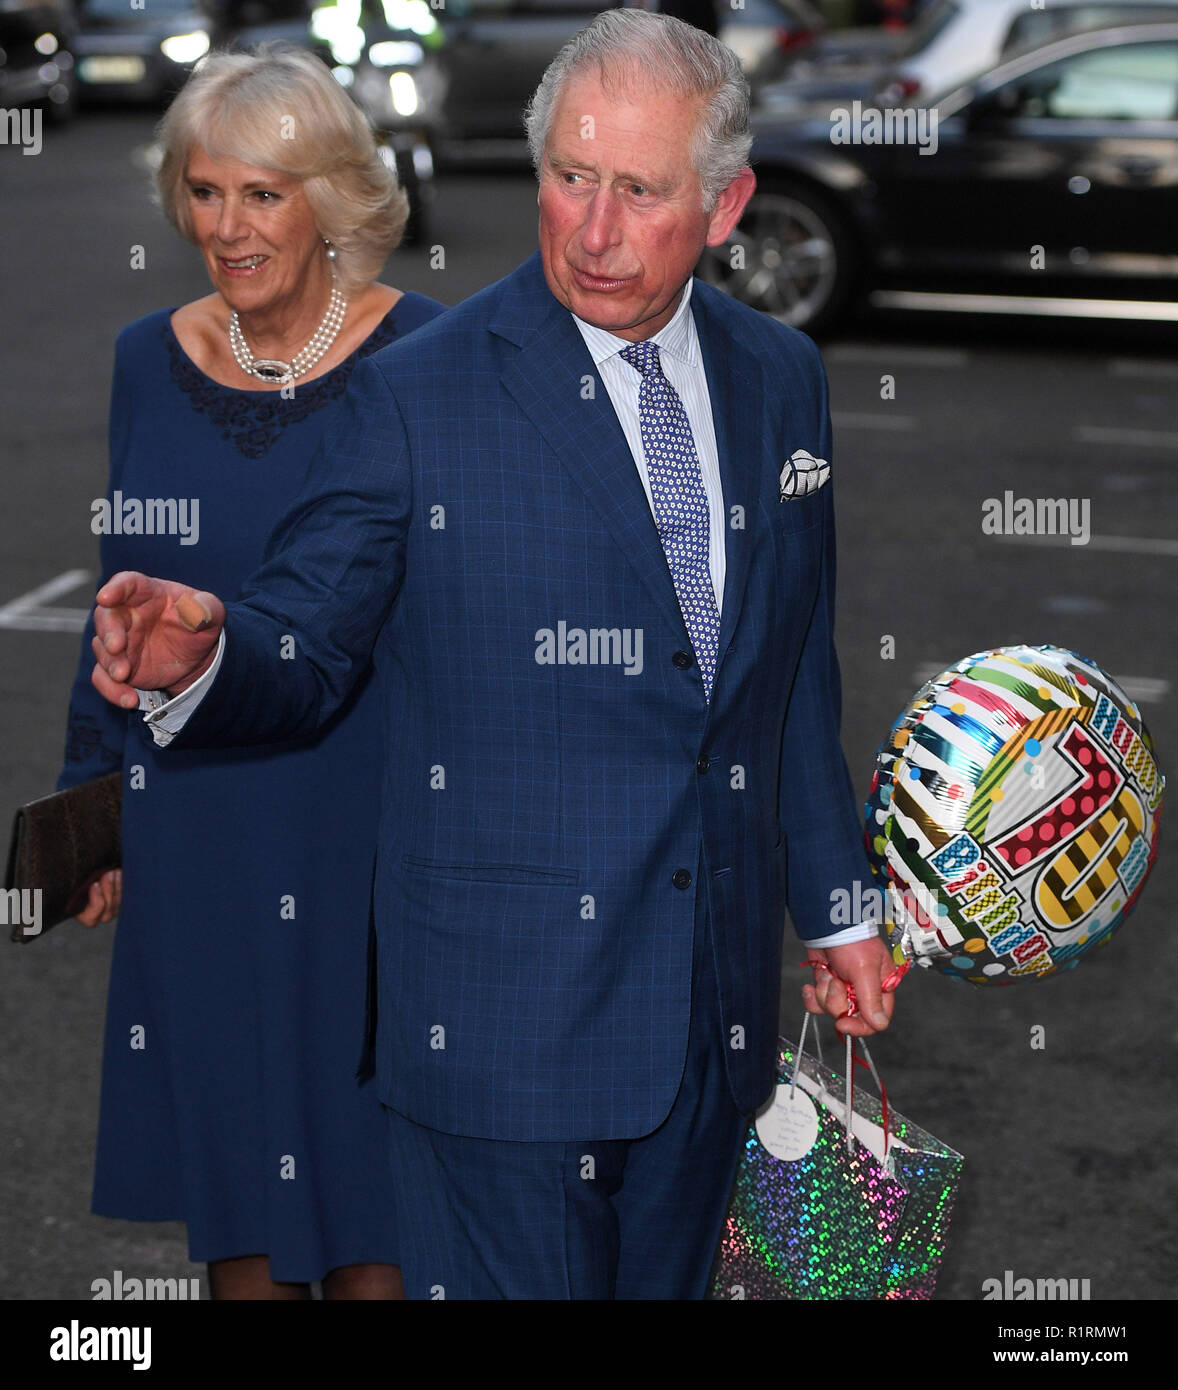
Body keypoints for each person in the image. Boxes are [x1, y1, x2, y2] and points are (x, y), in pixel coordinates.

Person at [89, 11, 895, 1300]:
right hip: (499, 1037)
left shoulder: (779, 379)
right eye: (570, 179)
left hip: (709, 1019)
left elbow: (789, 672)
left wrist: (837, 907)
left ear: (726, 202)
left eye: (637, 191)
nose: (592, 229)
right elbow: (305, 642)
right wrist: (202, 657)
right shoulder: (420, 388)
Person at [59, 44, 446, 1300]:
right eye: (207, 191)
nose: (227, 227)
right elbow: (119, 598)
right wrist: (88, 810)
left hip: (367, 827)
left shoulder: (428, 360)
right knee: (239, 1216)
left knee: (373, 1209)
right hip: (203, 828)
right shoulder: (142, 357)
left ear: (331, 200)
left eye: (264, 195)